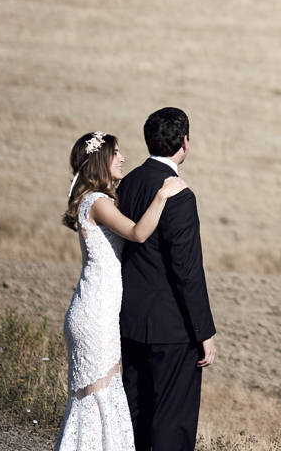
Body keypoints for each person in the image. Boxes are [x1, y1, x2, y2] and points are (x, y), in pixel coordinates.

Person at [55, 131, 188, 451]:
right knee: (98, 401)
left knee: (103, 398)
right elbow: (138, 233)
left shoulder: (96, 199)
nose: (123, 158)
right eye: (116, 153)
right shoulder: (97, 202)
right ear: (101, 159)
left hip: (99, 308)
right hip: (96, 311)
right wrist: (163, 194)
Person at [118, 107, 217, 451]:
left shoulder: (126, 184)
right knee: (171, 423)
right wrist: (204, 332)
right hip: (172, 331)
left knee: (132, 415)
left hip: (128, 322)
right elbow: (187, 271)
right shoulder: (179, 196)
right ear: (185, 143)